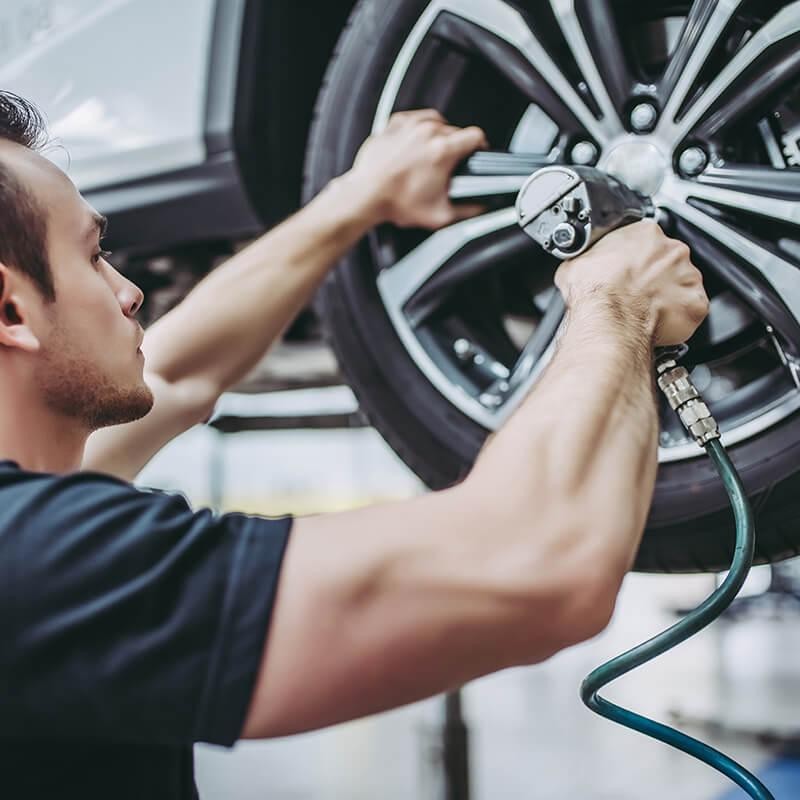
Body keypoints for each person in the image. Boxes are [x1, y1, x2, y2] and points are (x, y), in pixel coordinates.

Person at [0, 90, 708, 798]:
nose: (129, 293)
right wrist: (619, 303)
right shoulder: (28, 564)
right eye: (94, 257)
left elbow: (182, 370)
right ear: (10, 308)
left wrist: (358, 197)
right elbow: (534, 563)